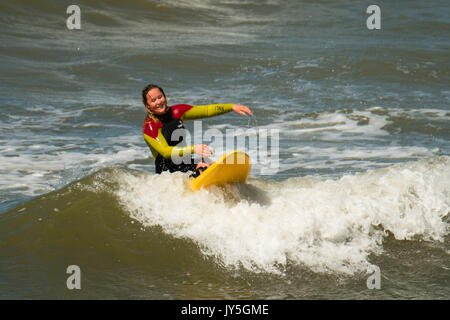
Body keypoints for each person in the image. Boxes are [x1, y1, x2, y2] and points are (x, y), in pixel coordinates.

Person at [142, 84, 252, 176]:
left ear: (165, 96)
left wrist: (232, 107)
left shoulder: (177, 112)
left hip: (185, 162)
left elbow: (207, 110)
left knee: (211, 166)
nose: (158, 102)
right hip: (168, 173)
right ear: (148, 106)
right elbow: (166, 152)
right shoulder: (150, 127)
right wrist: (195, 149)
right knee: (204, 169)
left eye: (160, 97)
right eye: (153, 100)